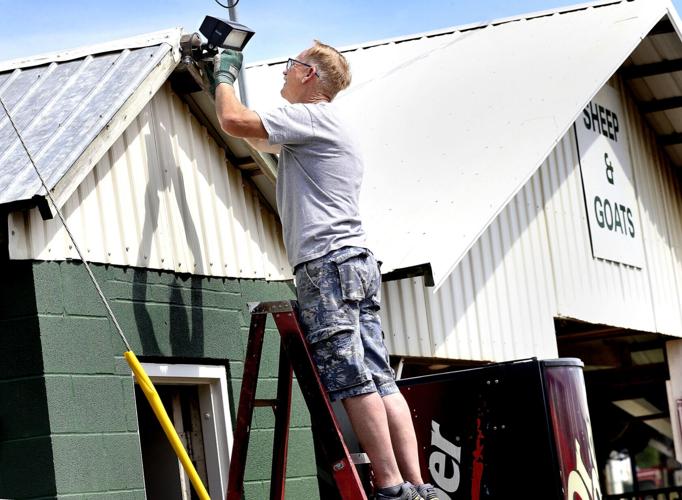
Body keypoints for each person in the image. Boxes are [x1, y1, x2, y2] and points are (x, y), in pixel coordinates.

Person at [210, 41, 439, 500]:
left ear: (310, 75)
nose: (284, 71)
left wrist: (224, 78)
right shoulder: (325, 127)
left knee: (351, 378)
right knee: (379, 376)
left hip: (326, 265)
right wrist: (216, 85)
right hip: (354, 261)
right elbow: (254, 136)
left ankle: (391, 486)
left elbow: (234, 121)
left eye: (291, 65)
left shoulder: (310, 117)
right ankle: (417, 485)